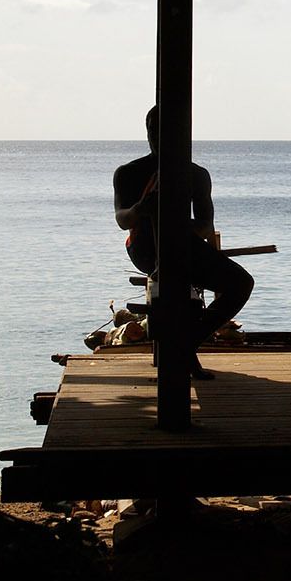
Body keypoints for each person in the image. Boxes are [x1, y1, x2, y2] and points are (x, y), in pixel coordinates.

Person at [113, 106, 253, 378]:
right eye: (153, 130)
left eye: (166, 130)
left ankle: (186, 343)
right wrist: (142, 209)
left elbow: (204, 226)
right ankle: (184, 350)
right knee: (173, 276)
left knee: (241, 283)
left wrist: (174, 221)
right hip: (145, 249)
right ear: (147, 132)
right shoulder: (128, 173)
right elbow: (122, 220)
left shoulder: (196, 175)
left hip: (184, 244)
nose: (158, 136)